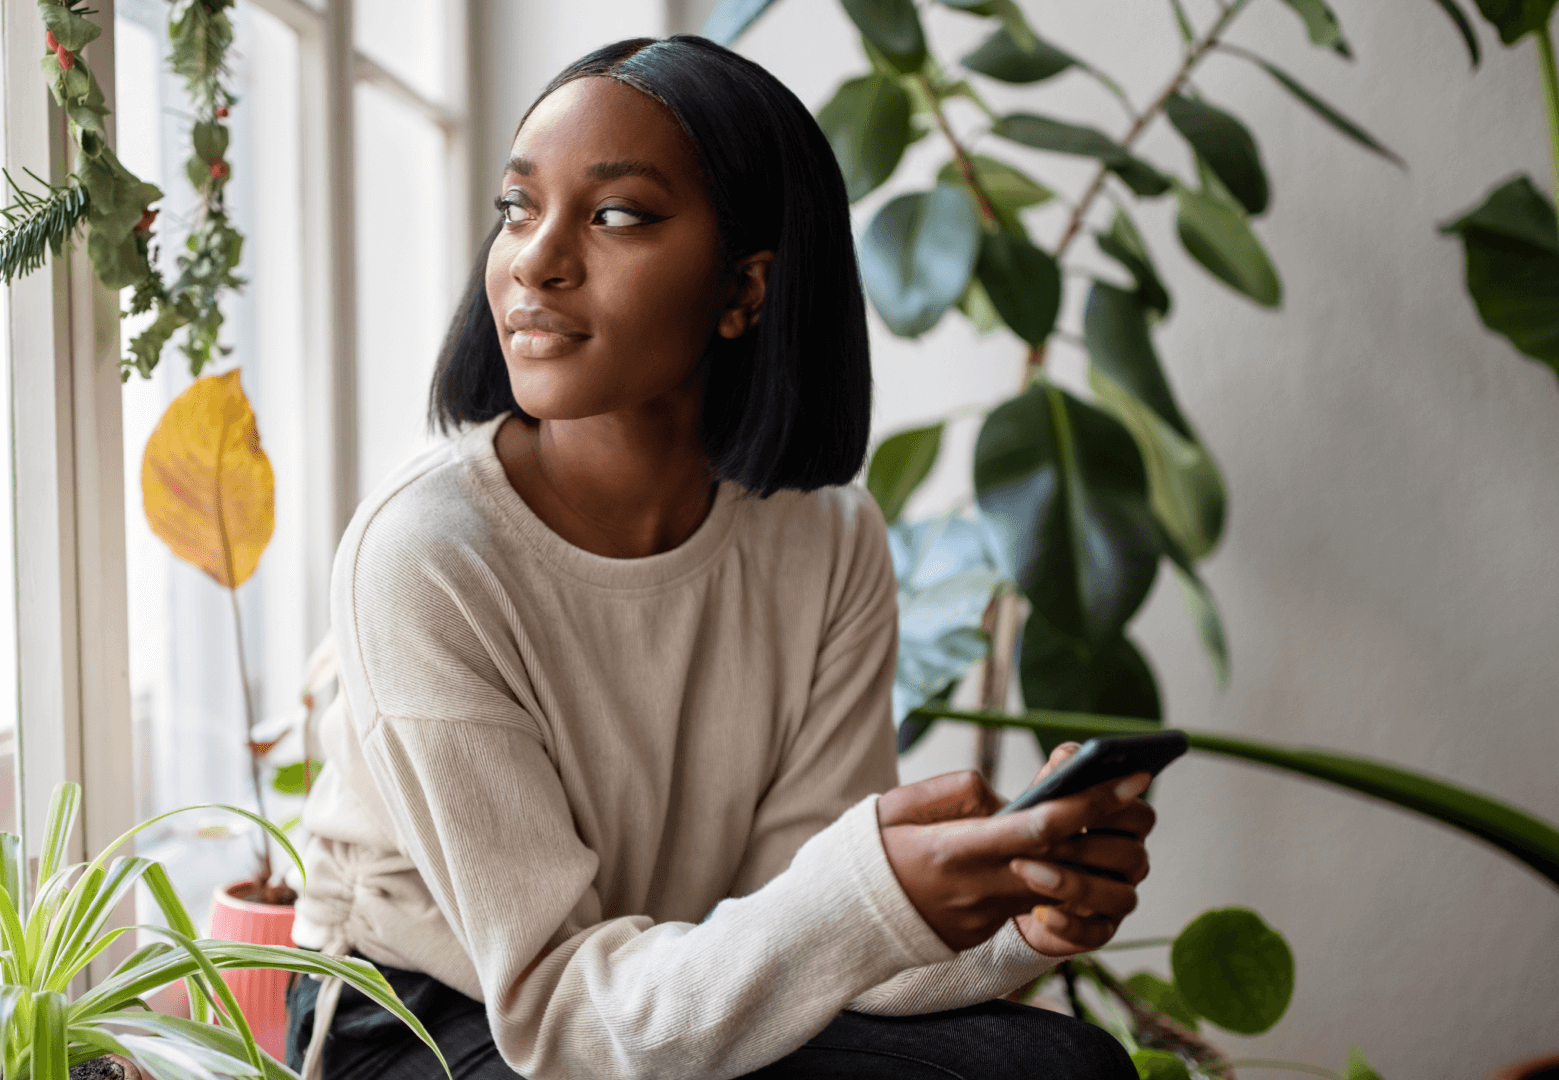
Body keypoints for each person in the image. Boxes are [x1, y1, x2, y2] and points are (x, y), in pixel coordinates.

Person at [286, 35, 1151, 1080]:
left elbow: (798, 943)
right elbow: (563, 1018)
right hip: (435, 1021)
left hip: (674, 990)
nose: (535, 258)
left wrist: (1019, 911)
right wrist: (867, 891)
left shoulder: (826, 540)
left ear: (747, 287)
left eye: (613, 215)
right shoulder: (425, 553)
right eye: (517, 206)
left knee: (1059, 1069)